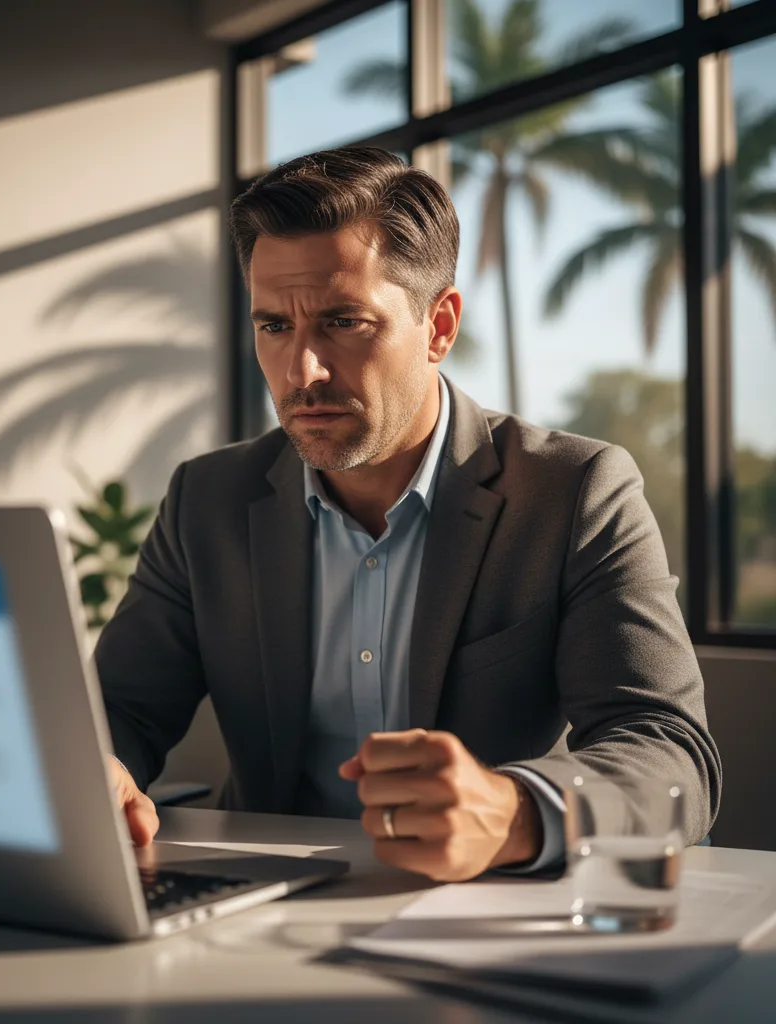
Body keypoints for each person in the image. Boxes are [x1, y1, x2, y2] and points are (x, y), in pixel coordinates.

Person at [95, 146, 721, 881]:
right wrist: (95, 767)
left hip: (476, 913)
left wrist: (517, 811)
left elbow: (669, 750)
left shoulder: (574, 491)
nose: (303, 373)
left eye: (343, 322)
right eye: (273, 327)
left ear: (440, 326)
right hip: (253, 900)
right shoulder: (209, 499)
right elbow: (120, 708)